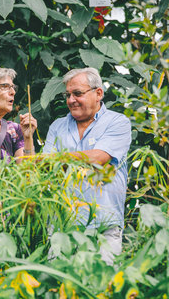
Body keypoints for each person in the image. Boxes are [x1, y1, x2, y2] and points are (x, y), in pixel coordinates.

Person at [43, 67, 131, 264]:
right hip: (62, 226)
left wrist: (61, 159)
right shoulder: (57, 126)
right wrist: (72, 160)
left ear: (98, 93)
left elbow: (98, 158)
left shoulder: (118, 122)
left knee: (102, 289)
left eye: (77, 93)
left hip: (103, 227)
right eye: (68, 95)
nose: (71, 100)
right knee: (58, 288)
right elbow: (46, 167)